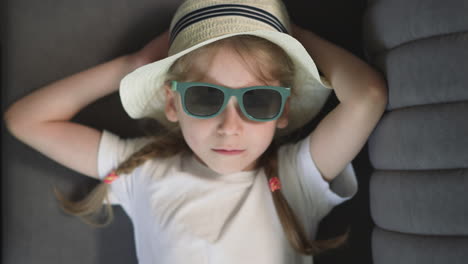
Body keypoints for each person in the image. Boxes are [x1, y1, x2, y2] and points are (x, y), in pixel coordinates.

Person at [3, 0, 387, 263]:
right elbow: (26, 121)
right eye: (205, 98)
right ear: (173, 103)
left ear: (282, 109)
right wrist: (131, 65)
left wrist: (299, 39)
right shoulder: (144, 172)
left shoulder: (296, 179)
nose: (230, 127)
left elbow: (368, 96)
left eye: (258, 101)